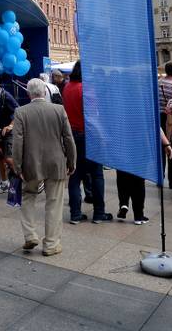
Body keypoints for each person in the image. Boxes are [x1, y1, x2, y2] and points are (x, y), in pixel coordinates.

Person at [11, 78, 76, 256]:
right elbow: (68, 139)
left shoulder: (20, 112)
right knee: (54, 203)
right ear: (45, 92)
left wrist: (17, 167)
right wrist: (71, 161)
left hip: (30, 164)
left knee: (28, 197)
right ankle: (51, 244)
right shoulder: (58, 110)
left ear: (28, 93)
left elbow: (17, 143)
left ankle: (30, 235)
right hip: (56, 163)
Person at [63, 61, 113, 223]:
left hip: (72, 135)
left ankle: (75, 214)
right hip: (90, 136)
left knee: (74, 175)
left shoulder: (67, 87)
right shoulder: (86, 90)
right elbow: (93, 116)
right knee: (97, 174)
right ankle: (99, 213)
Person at [159, 62, 172, 190]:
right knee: (171, 147)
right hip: (171, 118)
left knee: (161, 149)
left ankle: (159, 178)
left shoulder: (158, 82)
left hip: (159, 116)